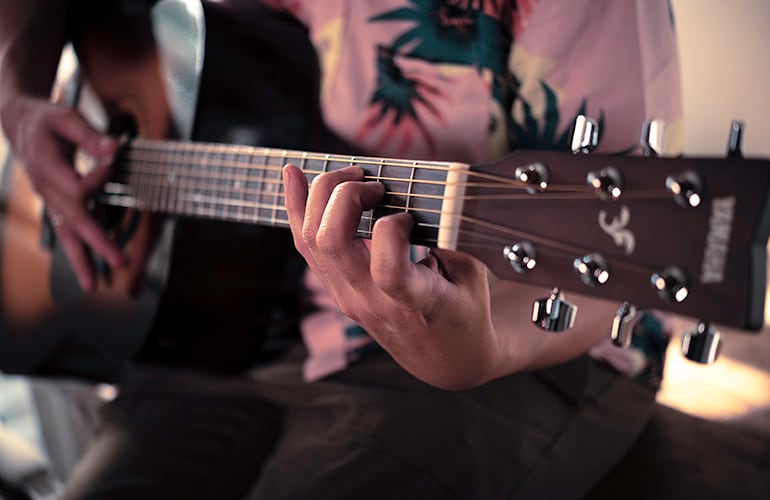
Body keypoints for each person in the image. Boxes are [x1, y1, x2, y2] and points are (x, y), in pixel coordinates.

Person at [0, 0, 679, 498]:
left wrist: (479, 351)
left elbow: (617, 252)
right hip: (221, 319)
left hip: (517, 342)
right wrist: (20, 97)